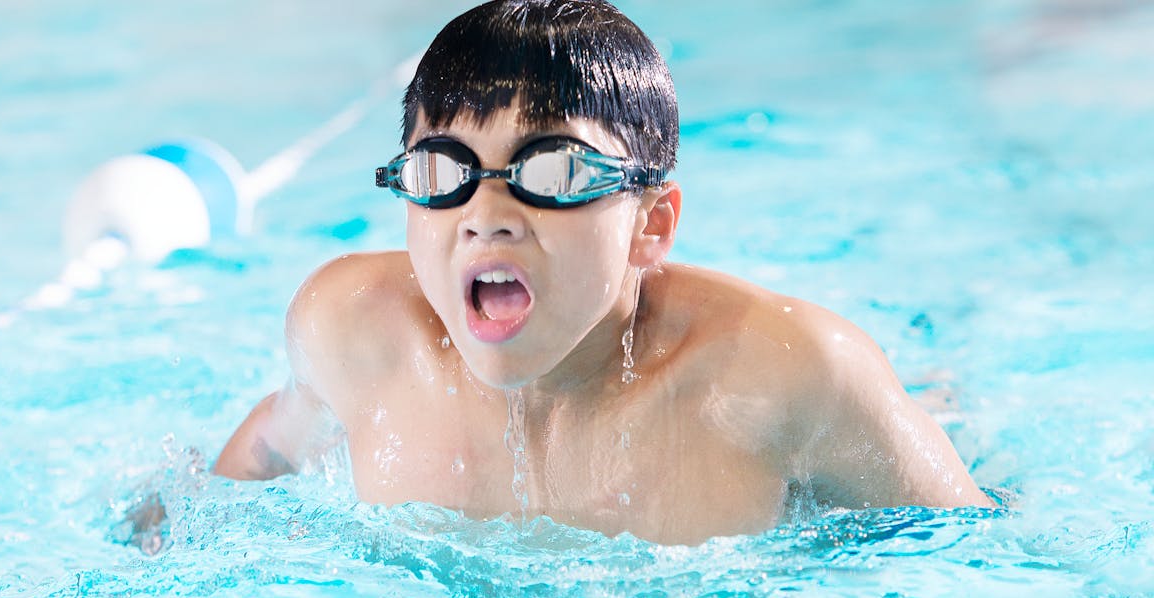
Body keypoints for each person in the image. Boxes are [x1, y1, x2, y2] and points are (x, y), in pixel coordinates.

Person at [214, 0, 994, 545]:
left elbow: (970, 552)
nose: (486, 214)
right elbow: (265, 460)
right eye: (445, 170)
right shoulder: (355, 332)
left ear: (650, 225)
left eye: (549, 171)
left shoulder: (785, 375)